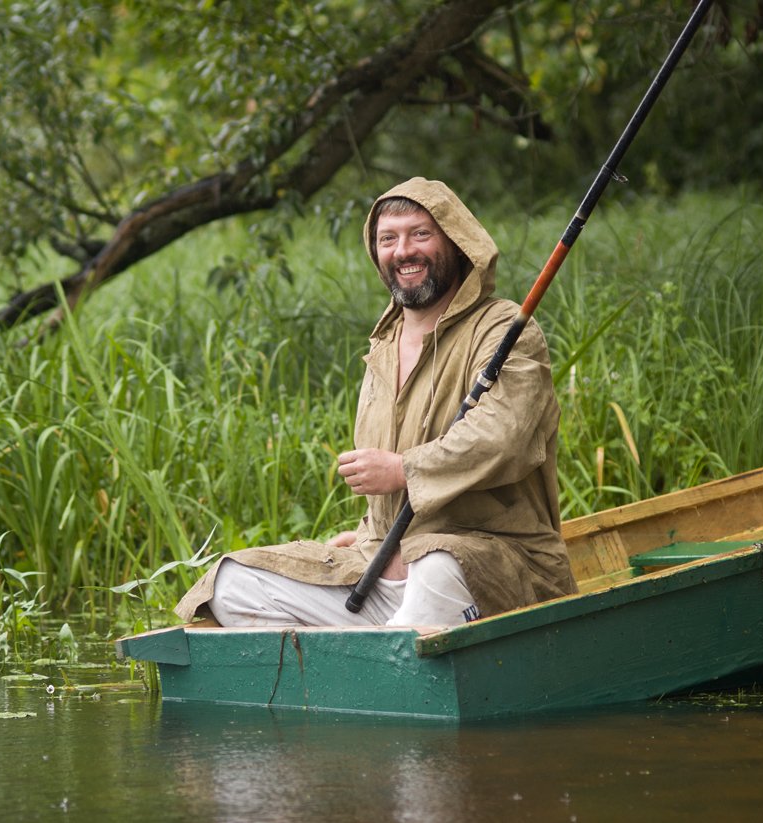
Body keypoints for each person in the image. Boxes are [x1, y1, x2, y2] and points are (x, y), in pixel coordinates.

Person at [175, 177, 578, 627]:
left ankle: (387, 657)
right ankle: (356, 666)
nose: (403, 250)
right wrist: (372, 536)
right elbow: (389, 494)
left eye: (420, 234)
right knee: (232, 583)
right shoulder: (383, 345)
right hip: (388, 565)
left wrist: (402, 470)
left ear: (456, 243)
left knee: (435, 565)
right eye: (389, 239)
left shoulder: (504, 328)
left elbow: (505, 438)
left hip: (494, 566)